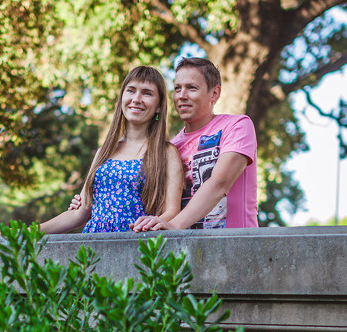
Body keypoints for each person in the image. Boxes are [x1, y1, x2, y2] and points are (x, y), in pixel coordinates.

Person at [0, 65, 184, 236]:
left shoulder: (166, 153)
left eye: (147, 93)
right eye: (131, 90)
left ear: (158, 106)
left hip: (137, 245)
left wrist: (151, 223)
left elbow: (172, 211)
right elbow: (79, 213)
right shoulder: (104, 152)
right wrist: (23, 233)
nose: (137, 98)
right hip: (91, 246)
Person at [70, 57, 258, 230]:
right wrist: (94, 203)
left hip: (234, 243)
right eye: (177, 88)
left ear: (214, 93)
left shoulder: (236, 126)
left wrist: (174, 225)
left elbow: (219, 183)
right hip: (187, 251)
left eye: (191, 88)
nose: (181, 96)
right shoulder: (169, 147)